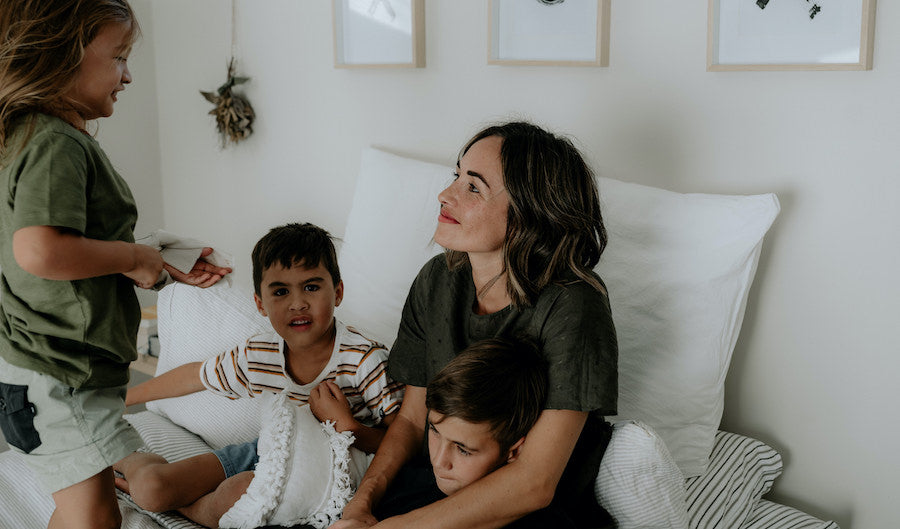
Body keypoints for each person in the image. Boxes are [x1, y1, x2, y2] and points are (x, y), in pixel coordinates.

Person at [0, 2, 231, 529]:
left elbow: (69, 248)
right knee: (94, 517)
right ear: (61, 55)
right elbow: (40, 252)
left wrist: (155, 257)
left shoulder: (30, 136)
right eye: (120, 57)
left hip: (46, 369)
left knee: (86, 509)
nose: (128, 76)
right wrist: (133, 256)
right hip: (59, 374)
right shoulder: (54, 144)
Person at [333, 121, 618, 529]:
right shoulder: (436, 280)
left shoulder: (574, 305)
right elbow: (412, 421)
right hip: (437, 490)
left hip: (529, 513)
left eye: (473, 187)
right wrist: (361, 505)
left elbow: (535, 483)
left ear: (527, 216)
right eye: (456, 176)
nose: (445, 195)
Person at [114, 223, 405, 528]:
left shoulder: (365, 360)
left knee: (239, 493)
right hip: (265, 450)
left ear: (338, 293)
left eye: (311, 287)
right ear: (260, 304)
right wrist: (121, 399)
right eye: (280, 292)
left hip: (328, 475)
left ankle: (191, 510)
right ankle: (116, 458)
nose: (298, 303)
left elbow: (402, 443)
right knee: (152, 490)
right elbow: (196, 376)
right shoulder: (260, 353)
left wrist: (347, 426)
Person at [375, 335, 548, 518]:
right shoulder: (402, 488)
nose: (439, 461)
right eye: (435, 431)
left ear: (513, 451)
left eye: (463, 450)